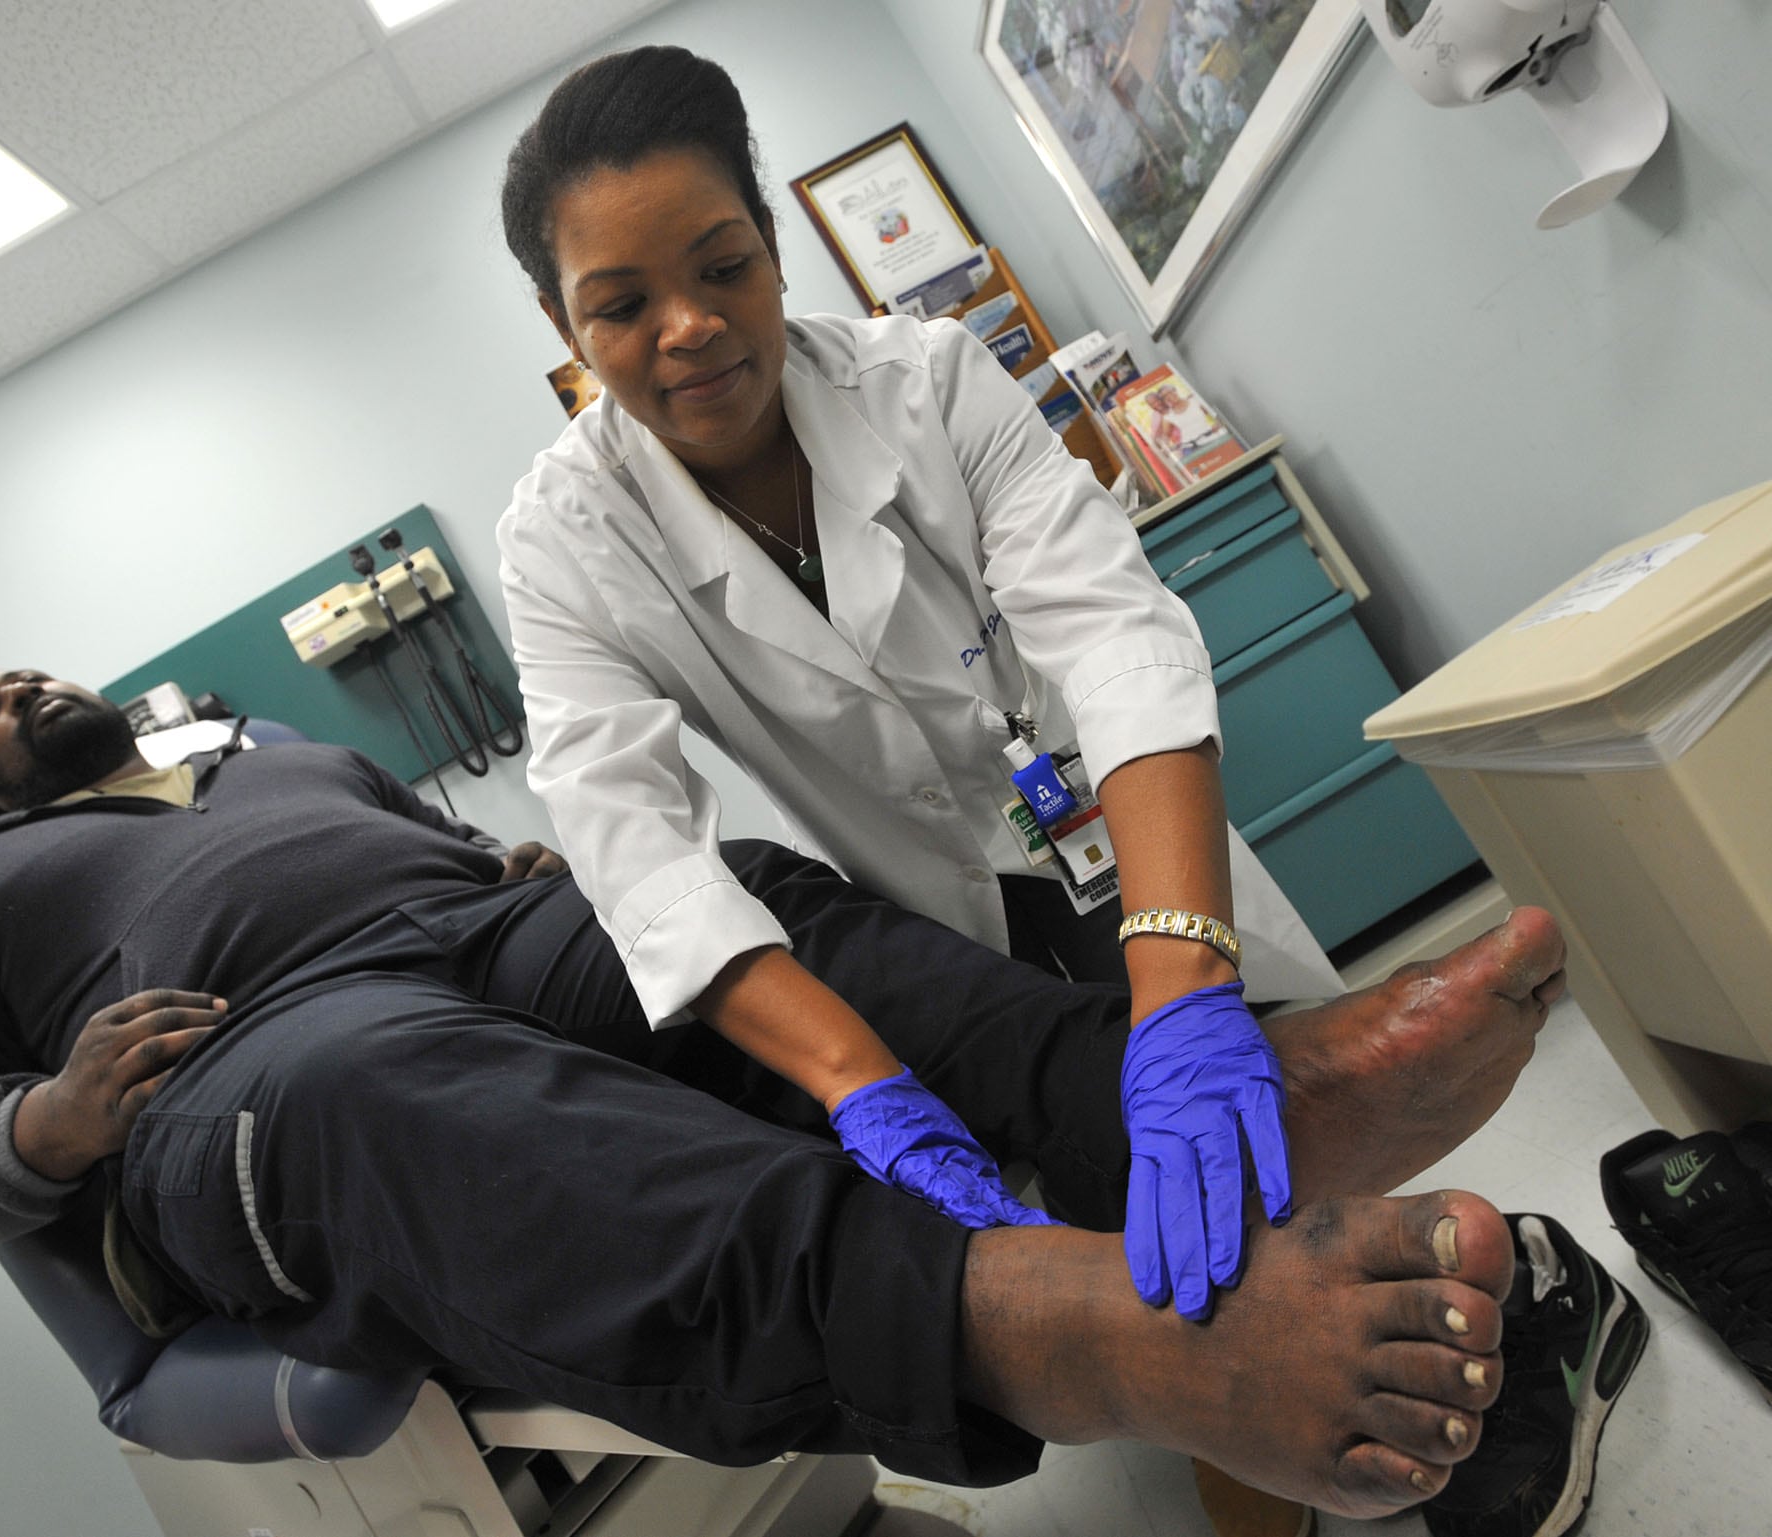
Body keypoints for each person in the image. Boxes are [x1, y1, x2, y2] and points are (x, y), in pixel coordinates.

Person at [0, 667, 1572, 1518]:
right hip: (250, 1060)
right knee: (382, 1081)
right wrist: (49, 1120)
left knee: (716, 897)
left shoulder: (281, 758)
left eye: (27, 666)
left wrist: (531, 869)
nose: (19, 687)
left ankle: (1196, 1102)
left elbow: (459, 853)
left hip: (479, 931)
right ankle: (1055, 1323)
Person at [496, 46, 1333, 1331]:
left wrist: (1182, 982)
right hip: (936, 919)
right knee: (1127, 1245)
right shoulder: (563, 542)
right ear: (567, 332)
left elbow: (1112, 630)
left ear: (774, 247)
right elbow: (638, 853)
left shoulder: (930, 379)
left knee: (1301, 1152)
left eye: (722, 266)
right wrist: (861, 1082)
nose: (689, 326)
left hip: (1124, 835)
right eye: (621, 305)